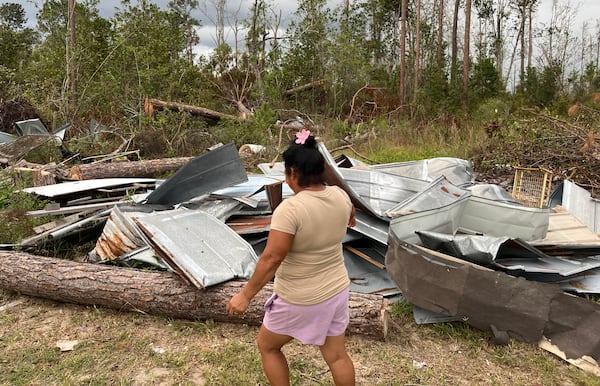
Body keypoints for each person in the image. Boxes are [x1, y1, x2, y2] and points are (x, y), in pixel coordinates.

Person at [226, 129, 356, 386]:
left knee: (268, 346)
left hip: (301, 297)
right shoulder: (341, 197)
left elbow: (272, 257)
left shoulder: (291, 209)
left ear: (293, 173)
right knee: (337, 356)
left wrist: (244, 295)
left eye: (286, 174)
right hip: (337, 291)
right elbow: (351, 217)